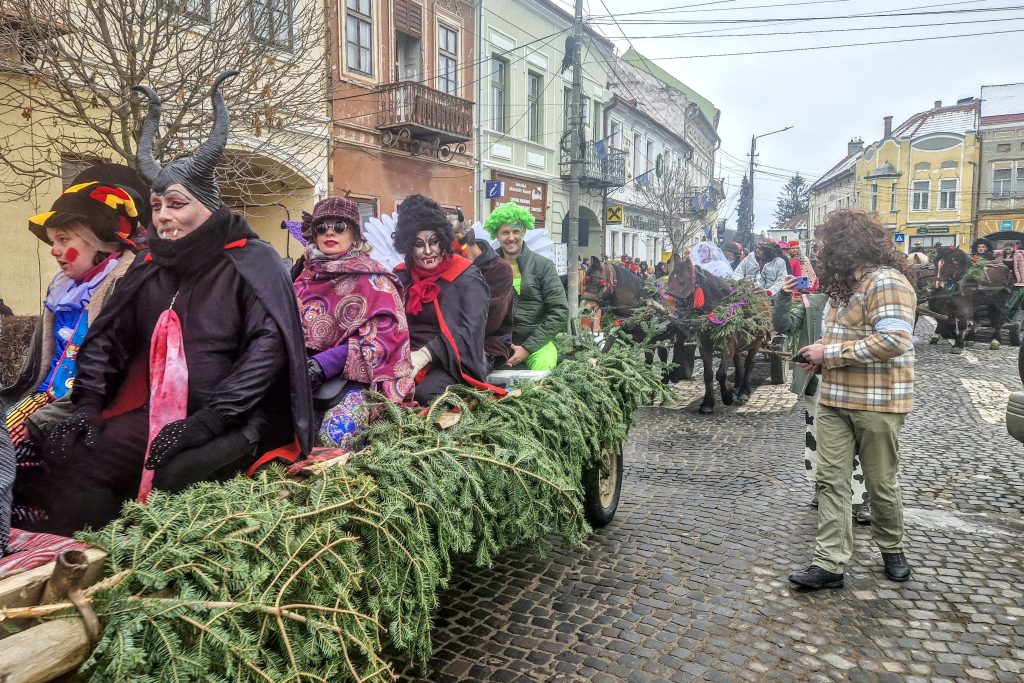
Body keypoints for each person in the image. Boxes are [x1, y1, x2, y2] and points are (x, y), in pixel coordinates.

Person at [38, 72, 314, 536]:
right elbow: (108, 337)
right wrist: (87, 403)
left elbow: (265, 352)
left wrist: (210, 422)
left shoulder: (254, 261)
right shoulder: (150, 264)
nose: (163, 216)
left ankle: (158, 562)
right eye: (157, 204)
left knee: (174, 475)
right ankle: (94, 563)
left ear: (208, 204)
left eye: (177, 204)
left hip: (235, 421)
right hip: (152, 410)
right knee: (78, 458)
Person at [3, 165, 146, 529]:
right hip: (46, 397)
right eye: (52, 241)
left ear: (98, 241)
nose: (54, 251)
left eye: (64, 239)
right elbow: (39, 368)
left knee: (11, 450)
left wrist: (35, 419)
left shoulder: (126, 285)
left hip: (84, 406)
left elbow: (119, 373)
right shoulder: (62, 289)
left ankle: (34, 519)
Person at [789, 209, 916, 590]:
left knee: (881, 483)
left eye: (828, 247)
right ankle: (829, 563)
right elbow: (839, 339)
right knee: (831, 481)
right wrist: (818, 352)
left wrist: (831, 354)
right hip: (835, 398)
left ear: (848, 247)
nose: (822, 254)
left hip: (878, 403)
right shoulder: (842, 290)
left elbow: (895, 341)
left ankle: (892, 548)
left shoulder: (886, 282)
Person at [294, 197, 414, 450]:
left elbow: (385, 340)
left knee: (334, 437)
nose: (329, 232)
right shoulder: (302, 276)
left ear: (355, 234)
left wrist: (322, 365)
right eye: (321, 227)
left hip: (357, 380)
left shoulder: (375, 280)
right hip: (297, 374)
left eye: (339, 226)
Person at [772, 275, 870, 525]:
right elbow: (784, 325)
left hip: (854, 381)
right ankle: (821, 486)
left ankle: (860, 498)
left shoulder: (864, 301)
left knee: (859, 439)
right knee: (817, 437)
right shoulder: (812, 302)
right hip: (816, 382)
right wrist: (783, 296)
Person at [393, 195, 502, 404]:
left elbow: (470, 331)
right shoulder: (400, 277)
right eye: (418, 244)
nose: (427, 251)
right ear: (408, 246)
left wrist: (425, 354)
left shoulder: (467, 277)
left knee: (424, 396)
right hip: (403, 358)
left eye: (433, 242)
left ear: (443, 240)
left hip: (453, 362)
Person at [487, 203, 568, 371]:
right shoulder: (487, 268)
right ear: (497, 234)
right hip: (497, 345)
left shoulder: (543, 265)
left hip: (538, 344)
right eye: (505, 232)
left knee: (542, 371)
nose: (511, 238)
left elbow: (559, 310)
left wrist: (528, 348)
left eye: (516, 232)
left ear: (523, 232)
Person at [458, 228, 515, 371]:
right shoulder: (452, 265)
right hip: (449, 341)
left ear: (466, 246)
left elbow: (490, 321)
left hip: (488, 344)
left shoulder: (499, 269)